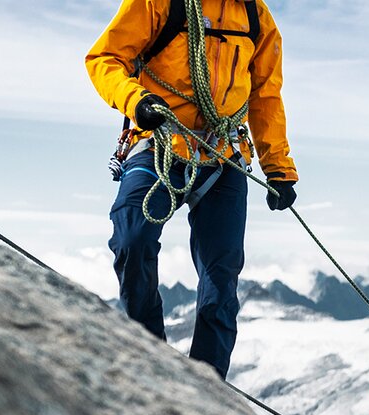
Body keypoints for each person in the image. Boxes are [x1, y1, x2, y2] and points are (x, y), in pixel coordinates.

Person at [86, 0, 299, 379]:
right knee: (132, 238)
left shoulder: (255, 15)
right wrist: (136, 101)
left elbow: (266, 95)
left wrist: (278, 167)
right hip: (160, 142)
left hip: (223, 155)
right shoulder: (159, 2)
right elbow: (105, 58)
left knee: (221, 278)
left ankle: (208, 382)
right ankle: (149, 356)